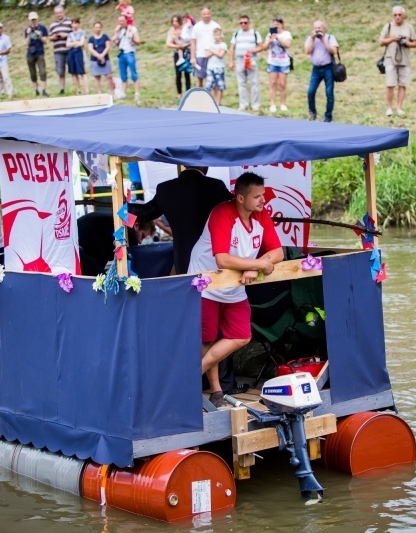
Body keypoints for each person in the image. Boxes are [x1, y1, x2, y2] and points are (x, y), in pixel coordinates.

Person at [187, 172, 284, 407]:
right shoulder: (223, 213)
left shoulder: (262, 216)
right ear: (240, 198)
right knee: (208, 339)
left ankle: (187, 379)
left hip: (236, 283)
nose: (263, 201)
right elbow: (222, 259)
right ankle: (217, 390)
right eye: (257, 196)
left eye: (263, 195)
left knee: (241, 335)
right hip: (207, 283)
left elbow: (278, 252)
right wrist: (259, 264)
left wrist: (255, 268)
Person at [129, 166, 233, 275]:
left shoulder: (165, 189)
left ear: (184, 165)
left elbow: (141, 213)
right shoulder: (215, 186)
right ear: (205, 165)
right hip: (212, 258)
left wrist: (118, 208)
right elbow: (239, 207)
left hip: (183, 259)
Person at [379, 5, 416, 116]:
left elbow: (415, 43)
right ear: (392, 16)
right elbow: (381, 42)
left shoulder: (409, 27)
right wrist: (393, 39)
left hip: (405, 60)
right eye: (395, 15)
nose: (397, 17)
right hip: (390, 59)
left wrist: (407, 43)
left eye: (399, 15)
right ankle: (389, 108)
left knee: (402, 84)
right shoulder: (388, 26)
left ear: (403, 15)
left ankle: (399, 107)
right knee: (390, 84)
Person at [304, 19, 338, 122]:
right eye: (315, 28)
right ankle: (312, 113)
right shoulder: (310, 39)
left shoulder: (330, 37)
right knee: (311, 91)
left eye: (319, 28)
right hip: (316, 69)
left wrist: (323, 40)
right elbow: (307, 51)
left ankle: (328, 116)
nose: (317, 30)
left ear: (324, 28)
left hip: (328, 68)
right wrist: (312, 39)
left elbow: (334, 51)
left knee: (329, 93)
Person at [229, 14, 262, 112]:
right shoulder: (236, 34)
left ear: (249, 23)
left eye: (245, 22)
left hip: (252, 61)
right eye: (241, 23)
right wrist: (231, 61)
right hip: (239, 61)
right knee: (241, 83)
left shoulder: (255, 33)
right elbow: (232, 48)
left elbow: (261, 46)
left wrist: (253, 50)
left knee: (254, 83)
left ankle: (255, 105)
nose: (243, 24)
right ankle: (243, 104)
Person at [261, 16, 293, 113]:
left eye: (277, 24)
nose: (276, 26)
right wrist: (270, 40)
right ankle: (272, 104)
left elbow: (288, 45)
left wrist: (278, 38)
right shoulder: (269, 34)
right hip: (272, 62)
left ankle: (283, 104)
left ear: (282, 25)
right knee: (273, 83)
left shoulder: (286, 34)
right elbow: (264, 47)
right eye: (274, 24)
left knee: (282, 84)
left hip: (283, 62)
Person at [190, 6, 221, 89]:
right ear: (201, 15)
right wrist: (192, 57)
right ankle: (199, 98)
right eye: (204, 14)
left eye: (208, 14)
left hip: (213, 56)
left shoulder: (216, 25)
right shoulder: (196, 27)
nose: (206, 16)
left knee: (214, 79)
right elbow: (193, 42)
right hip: (200, 55)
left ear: (210, 14)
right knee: (199, 78)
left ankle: (214, 101)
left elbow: (220, 41)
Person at [114, 14, 141, 102]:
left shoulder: (132, 29)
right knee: (123, 74)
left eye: (122, 21)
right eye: (119, 21)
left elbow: (138, 41)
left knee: (133, 73)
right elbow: (115, 42)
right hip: (121, 54)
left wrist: (131, 37)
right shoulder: (119, 30)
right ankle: (123, 93)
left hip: (129, 52)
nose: (121, 23)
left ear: (126, 20)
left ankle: (137, 93)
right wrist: (116, 33)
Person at [24, 11, 49, 97]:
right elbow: (26, 43)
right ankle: (36, 90)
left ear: (37, 19)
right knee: (32, 73)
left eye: (34, 19)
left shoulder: (42, 28)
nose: (33, 21)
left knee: (42, 71)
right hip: (30, 53)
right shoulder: (27, 29)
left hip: (39, 52)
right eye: (32, 20)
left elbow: (45, 41)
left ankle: (44, 90)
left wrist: (40, 35)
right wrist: (29, 34)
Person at [167, 14, 192, 98]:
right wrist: (178, 46)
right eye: (173, 21)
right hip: (177, 53)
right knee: (178, 74)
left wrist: (185, 44)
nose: (174, 23)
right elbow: (168, 43)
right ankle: (179, 93)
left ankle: (188, 92)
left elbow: (191, 39)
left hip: (186, 52)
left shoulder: (185, 28)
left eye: (176, 21)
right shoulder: (172, 30)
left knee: (187, 73)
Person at [50, 5, 72, 95]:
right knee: (60, 71)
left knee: (73, 70)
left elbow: (75, 33)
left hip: (69, 49)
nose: (59, 14)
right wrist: (54, 37)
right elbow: (49, 37)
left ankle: (77, 87)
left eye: (60, 12)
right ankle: (62, 89)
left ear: (63, 12)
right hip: (58, 50)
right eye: (57, 13)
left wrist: (66, 35)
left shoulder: (70, 22)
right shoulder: (53, 25)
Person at [89, 21, 115, 95]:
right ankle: (99, 93)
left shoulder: (105, 37)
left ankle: (112, 93)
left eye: (99, 27)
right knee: (97, 77)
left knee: (109, 76)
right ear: (93, 28)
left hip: (105, 59)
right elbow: (90, 49)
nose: (98, 29)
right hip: (94, 60)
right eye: (96, 27)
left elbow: (108, 46)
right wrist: (98, 56)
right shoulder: (91, 39)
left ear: (101, 28)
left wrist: (102, 55)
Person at [67, 18, 89, 95]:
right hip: (71, 53)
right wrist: (76, 42)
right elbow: (67, 44)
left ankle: (87, 90)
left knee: (82, 72)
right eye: (73, 23)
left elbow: (81, 43)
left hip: (79, 52)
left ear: (79, 24)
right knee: (73, 72)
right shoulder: (70, 34)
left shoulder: (82, 32)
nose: (74, 25)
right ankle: (78, 89)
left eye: (76, 23)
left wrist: (74, 43)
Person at [206, 27, 228, 105]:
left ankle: (217, 102)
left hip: (219, 67)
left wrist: (212, 51)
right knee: (209, 85)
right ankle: (210, 102)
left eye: (218, 35)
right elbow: (207, 55)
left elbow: (221, 54)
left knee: (219, 86)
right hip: (210, 67)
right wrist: (215, 51)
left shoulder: (223, 45)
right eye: (215, 35)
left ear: (221, 35)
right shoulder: (210, 44)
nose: (216, 37)